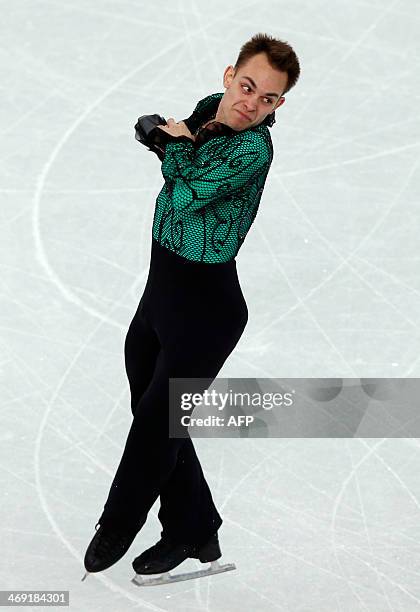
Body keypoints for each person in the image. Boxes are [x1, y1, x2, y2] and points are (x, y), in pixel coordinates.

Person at [82, 32, 300, 584]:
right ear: (229, 76)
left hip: (206, 311)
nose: (252, 103)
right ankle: (194, 525)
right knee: (158, 420)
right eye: (247, 87)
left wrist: (166, 142)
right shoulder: (210, 109)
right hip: (160, 294)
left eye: (268, 99)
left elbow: (183, 191)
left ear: (279, 106)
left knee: (155, 427)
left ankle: (118, 522)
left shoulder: (251, 150)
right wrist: (165, 137)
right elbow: (182, 147)